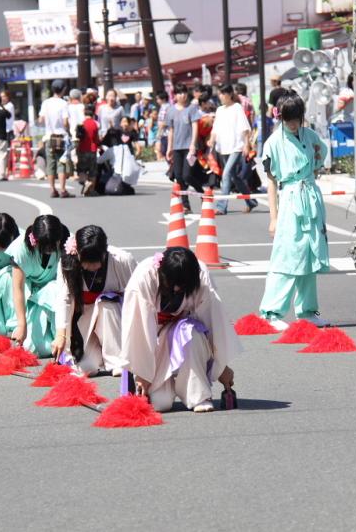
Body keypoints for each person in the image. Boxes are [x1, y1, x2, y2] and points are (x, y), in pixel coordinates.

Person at [118, 247, 239, 413]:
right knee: (161, 403)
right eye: (173, 283)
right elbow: (139, 330)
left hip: (185, 330)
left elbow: (212, 321)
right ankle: (169, 385)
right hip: (154, 337)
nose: (177, 289)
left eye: (183, 286)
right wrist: (141, 374)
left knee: (192, 332)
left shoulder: (200, 274)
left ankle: (198, 394)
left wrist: (222, 366)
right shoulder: (145, 276)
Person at [257, 92, 330, 331]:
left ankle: (307, 311)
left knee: (308, 256)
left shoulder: (310, 136)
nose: (292, 124)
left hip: (310, 195)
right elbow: (271, 182)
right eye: (288, 119)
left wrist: (315, 170)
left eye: (296, 118)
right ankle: (272, 311)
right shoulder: (273, 143)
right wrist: (273, 217)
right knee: (287, 256)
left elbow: (321, 156)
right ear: (280, 117)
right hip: (290, 198)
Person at [54, 226, 137, 375]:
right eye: (87, 261)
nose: (91, 267)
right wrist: (61, 336)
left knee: (106, 302)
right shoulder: (66, 264)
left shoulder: (123, 260)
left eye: (96, 261)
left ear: (105, 253)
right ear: (77, 253)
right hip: (84, 318)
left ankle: (116, 358)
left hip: (115, 318)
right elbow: (64, 300)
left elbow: (138, 297)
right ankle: (98, 352)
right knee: (86, 369)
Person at [8, 215, 68, 357]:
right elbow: (18, 289)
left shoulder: (68, 241)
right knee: (33, 349)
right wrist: (22, 324)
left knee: (54, 290)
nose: (50, 250)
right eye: (45, 246)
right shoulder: (20, 249)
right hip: (32, 296)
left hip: (58, 293)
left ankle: (64, 342)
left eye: (53, 245)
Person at [210, 84, 257, 215]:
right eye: (219, 94)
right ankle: (251, 201)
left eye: (223, 94)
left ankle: (221, 206)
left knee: (225, 175)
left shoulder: (237, 108)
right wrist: (211, 140)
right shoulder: (219, 110)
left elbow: (244, 128)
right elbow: (215, 128)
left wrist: (247, 145)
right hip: (223, 147)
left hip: (236, 146)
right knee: (234, 177)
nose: (220, 96)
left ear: (230, 94)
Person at [165, 84, 201, 213]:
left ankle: (201, 191)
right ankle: (186, 205)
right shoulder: (170, 111)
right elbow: (171, 130)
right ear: (175, 95)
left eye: (184, 92)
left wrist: (193, 144)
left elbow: (195, 126)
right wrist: (169, 148)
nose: (183, 95)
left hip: (189, 147)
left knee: (187, 175)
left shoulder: (192, 109)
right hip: (177, 147)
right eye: (180, 93)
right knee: (179, 177)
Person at [39, 80, 73, 198]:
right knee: (61, 163)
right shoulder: (63, 104)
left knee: (51, 163)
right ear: (63, 89)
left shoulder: (46, 103)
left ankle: (52, 189)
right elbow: (65, 122)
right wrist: (68, 130)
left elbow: (40, 120)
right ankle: (63, 189)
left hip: (49, 136)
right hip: (62, 136)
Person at [76, 104, 100, 196]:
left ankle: (86, 182)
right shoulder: (95, 124)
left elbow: (78, 137)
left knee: (81, 170)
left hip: (82, 149)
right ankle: (91, 190)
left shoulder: (81, 123)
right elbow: (97, 139)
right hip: (93, 150)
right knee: (93, 171)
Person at [154, 91, 170, 161]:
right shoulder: (164, 107)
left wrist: (159, 133)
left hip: (166, 133)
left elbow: (164, 122)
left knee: (166, 152)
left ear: (163, 99)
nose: (157, 101)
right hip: (164, 133)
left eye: (158, 99)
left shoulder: (166, 107)